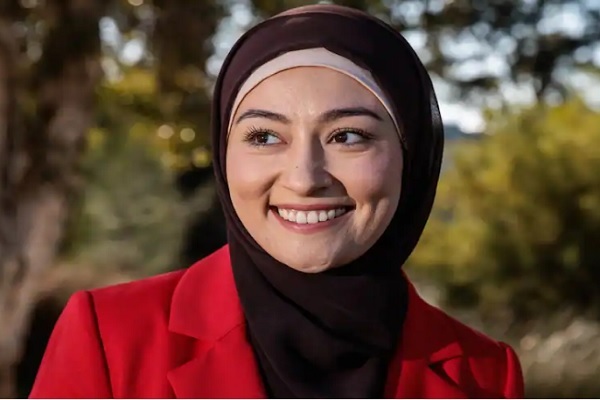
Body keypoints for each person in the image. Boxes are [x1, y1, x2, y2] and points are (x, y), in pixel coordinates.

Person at [30, 4, 524, 399]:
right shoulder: (110, 338)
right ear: (224, 156)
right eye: (265, 137)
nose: (305, 179)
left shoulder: (485, 374)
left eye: (348, 136)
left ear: (411, 157)